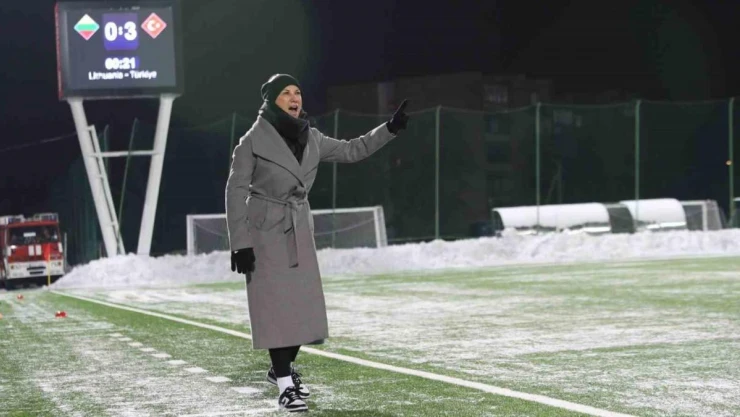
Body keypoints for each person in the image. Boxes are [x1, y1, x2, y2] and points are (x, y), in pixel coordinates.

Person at [225, 73, 409, 412]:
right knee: (277, 309)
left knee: (303, 308)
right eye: (286, 93)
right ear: (271, 100)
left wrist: (389, 129)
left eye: (297, 92)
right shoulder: (251, 141)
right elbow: (235, 191)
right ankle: (285, 386)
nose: (295, 98)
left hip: (298, 227)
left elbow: (352, 149)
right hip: (265, 231)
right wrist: (240, 242)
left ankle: (279, 370)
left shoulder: (312, 137)